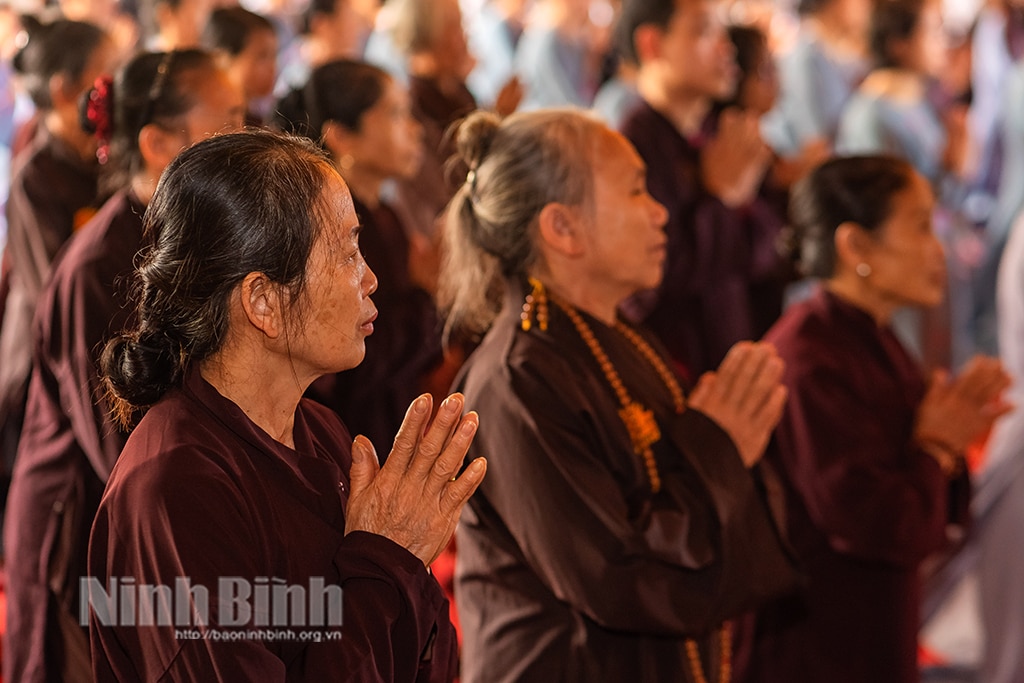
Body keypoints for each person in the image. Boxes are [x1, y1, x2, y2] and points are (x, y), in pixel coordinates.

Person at [88, 128, 484, 681]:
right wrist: (386, 559)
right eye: (346, 253)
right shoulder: (174, 488)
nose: (370, 278)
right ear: (263, 302)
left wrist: (401, 559)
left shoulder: (319, 430)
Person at [443, 108, 798, 682]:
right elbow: (614, 573)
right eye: (637, 191)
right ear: (562, 228)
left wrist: (730, 448)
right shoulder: (516, 380)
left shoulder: (614, 339)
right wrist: (717, 448)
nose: (661, 213)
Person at [3, 48, 245, 683]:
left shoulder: (187, 234)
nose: (246, 140)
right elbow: (118, 445)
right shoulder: (96, 269)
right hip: (83, 523)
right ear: (160, 141)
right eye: (228, 121)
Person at [737, 155, 1009, 683]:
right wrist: (934, 447)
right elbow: (874, 522)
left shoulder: (867, 335)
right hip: (815, 647)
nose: (938, 249)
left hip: (867, 630)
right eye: (919, 226)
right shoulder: (811, 359)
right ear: (855, 246)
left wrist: (945, 445)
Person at [279, 59, 443, 458]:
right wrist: (424, 294)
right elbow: (355, 364)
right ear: (342, 137)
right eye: (395, 114)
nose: (415, 129)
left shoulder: (386, 215)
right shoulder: (326, 229)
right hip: (349, 439)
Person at [617, 0, 777, 379]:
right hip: (674, 368)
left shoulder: (723, 132)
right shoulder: (629, 149)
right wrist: (719, 198)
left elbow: (769, 248)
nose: (727, 49)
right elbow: (651, 280)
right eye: (705, 32)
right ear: (652, 45)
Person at [0, 16, 114, 514]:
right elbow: (57, 288)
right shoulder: (35, 178)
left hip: (98, 349)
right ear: (68, 90)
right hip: (47, 363)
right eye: (106, 77)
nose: (117, 90)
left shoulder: (102, 160)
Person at [202, 6, 278, 125]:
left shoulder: (256, 121)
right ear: (223, 59)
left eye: (273, 56)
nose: (272, 67)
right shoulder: (212, 126)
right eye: (261, 56)